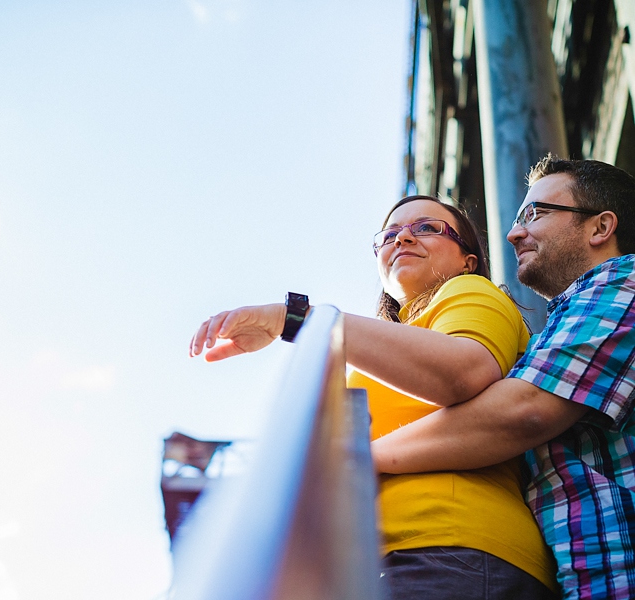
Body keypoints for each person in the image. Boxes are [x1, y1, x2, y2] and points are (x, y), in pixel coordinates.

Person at [190, 195, 559, 599]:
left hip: (451, 548)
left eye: (427, 228)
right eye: (389, 235)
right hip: (382, 561)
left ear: (467, 260)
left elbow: (463, 371)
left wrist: (292, 318)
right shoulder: (378, 354)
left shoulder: (472, 291)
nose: (402, 238)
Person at [371, 155, 635, 600]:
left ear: (600, 227)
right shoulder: (561, 323)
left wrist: (356, 457)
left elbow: (522, 412)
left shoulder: (624, 287)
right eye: (389, 234)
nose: (513, 233)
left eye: (535, 213)